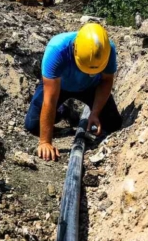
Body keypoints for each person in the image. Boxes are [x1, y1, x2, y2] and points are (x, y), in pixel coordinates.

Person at [24, 23, 122, 161]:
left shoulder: (107, 50)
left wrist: (95, 113)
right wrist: (45, 142)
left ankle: (81, 113)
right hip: (59, 86)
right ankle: (64, 111)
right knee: (33, 125)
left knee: (113, 124)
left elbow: (106, 81)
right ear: (75, 49)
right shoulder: (57, 50)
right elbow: (50, 99)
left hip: (91, 87)